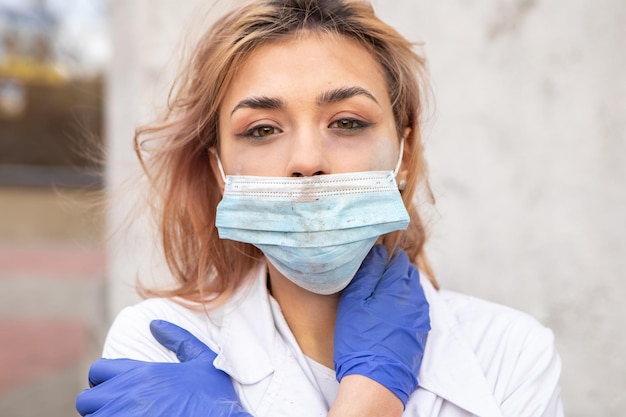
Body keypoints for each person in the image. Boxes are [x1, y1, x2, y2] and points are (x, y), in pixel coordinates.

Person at [76, 0, 564, 416]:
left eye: (348, 122)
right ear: (220, 171)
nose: (307, 161)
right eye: (262, 129)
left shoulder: (511, 352)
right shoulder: (158, 346)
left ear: (404, 154)